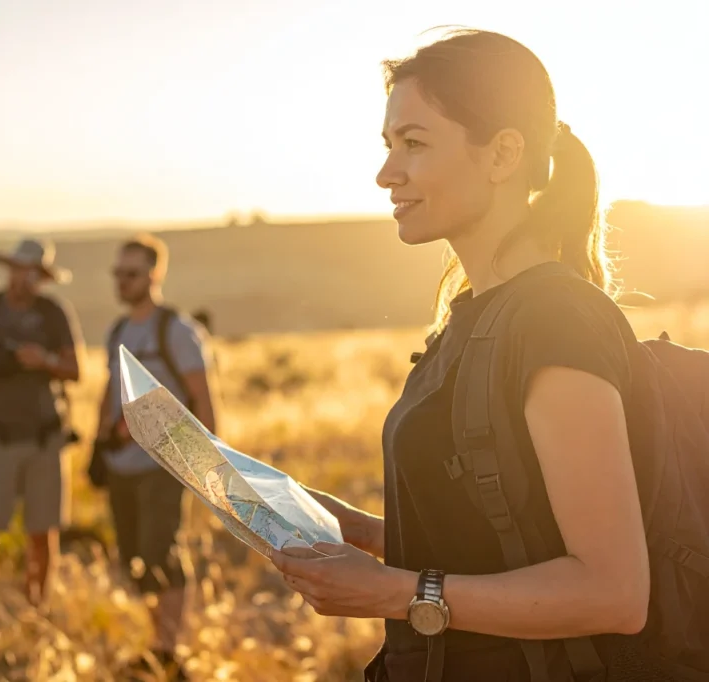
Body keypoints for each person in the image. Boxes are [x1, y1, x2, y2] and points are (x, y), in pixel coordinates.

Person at [269, 29, 678, 682]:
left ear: (503, 154)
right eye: (388, 145)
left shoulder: (554, 319)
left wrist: (388, 591)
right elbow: (507, 534)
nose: (386, 173)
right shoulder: (471, 319)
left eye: (415, 143)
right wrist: (364, 533)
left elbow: (612, 592)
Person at [95, 233, 217, 679]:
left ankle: (170, 651)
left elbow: (203, 396)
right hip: (121, 463)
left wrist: (207, 462)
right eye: (118, 273)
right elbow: (110, 391)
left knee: (160, 551)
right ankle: (159, 645)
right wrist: (99, 441)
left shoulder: (176, 331)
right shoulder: (118, 332)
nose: (121, 282)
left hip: (165, 462)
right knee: (134, 558)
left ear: (154, 275)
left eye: (131, 274)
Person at [0, 238, 83, 646]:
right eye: (17, 269)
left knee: (43, 532)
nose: (22, 278)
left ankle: (37, 614)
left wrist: (42, 361)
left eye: (30, 272)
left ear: (41, 277)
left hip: (45, 435)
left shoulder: (53, 313)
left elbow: (75, 368)